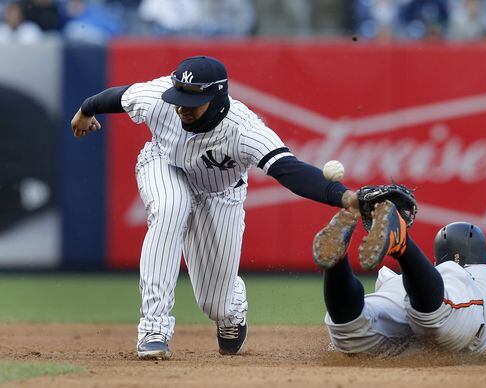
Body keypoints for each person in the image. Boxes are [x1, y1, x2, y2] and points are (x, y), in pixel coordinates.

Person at [70, 55, 359, 360]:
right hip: (163, 165)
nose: (181, 107)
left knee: (214, 304)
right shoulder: (158, 97)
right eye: (178, 97)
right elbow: (115, 97)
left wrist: (342, 196)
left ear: (218, 97)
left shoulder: (243, 129)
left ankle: (232, 307)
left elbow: (288, 169)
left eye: (191, 102)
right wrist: (84, 111)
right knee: (170, 208)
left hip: (220, 193)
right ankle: (154, 328)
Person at [312, 201, 486, 357]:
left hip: (402, 288)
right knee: (437, 319)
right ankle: (404, 246)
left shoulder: (416, 278)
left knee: (350, 331)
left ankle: (336, 265)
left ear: (435, 260)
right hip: (449, 299)